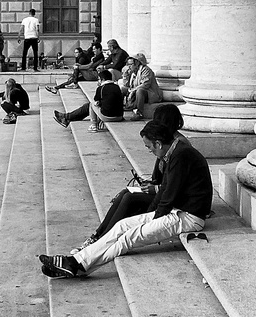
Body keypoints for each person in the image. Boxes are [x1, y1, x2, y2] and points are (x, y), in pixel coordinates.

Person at [40, 119, 211, 279]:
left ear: (158, 144)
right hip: (176, 211)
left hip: (189, 217)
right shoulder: (175, 152)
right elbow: (165, 190)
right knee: (121, 225)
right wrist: (152, 214)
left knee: (127, 238)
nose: (149, 151)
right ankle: (76, 260)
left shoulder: (181, 156)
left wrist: (152, 220)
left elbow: (168, 195)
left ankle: (78, 267)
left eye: (149, 147)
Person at [54, 67, 125, 131]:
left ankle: (93, 125)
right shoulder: (117, 87)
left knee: (91, 104)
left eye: (99, 79)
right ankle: (67, 118)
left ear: (102, 79)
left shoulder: (101, 88)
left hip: (108, 117)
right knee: (90, 106)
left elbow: (96, 101)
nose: (98, 81)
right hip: (119, 116)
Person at [123, 53, 163, 118]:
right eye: (128, 64)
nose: (129, 66)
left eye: (131, 64)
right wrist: (125, 75)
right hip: (135, 91)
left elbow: (145, 84)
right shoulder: (132, 72)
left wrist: (132, 91)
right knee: (122, 89)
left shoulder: (146, 70)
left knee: (140, 91)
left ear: (137, 63)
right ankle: (118, 110)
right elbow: (126, 85)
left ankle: (139, 113)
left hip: (150, 93)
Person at [20, 7, 41, 71]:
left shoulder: (24, 20)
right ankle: (35, 68)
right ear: (34, 14)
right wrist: (38, 37)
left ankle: (23, 68)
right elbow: (37, 29)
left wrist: (18, 36)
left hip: (27, 37)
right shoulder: (36, 20)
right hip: (34, 37)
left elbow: (21, 29)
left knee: (24, 53)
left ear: (29, 13)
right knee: (35, 53)